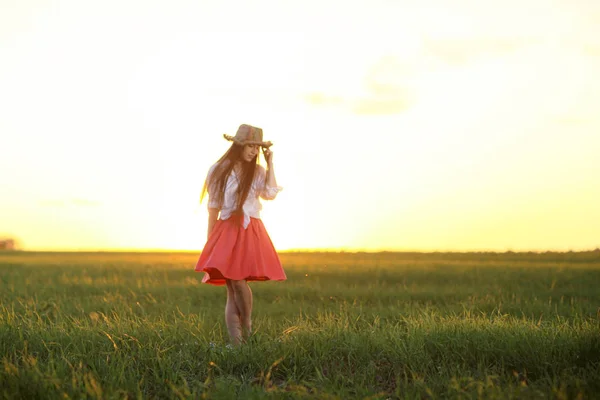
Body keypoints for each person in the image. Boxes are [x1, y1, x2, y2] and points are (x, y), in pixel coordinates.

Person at [195, 124, 287, 346]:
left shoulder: (258, 171)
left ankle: (247, 327)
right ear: (238, 145)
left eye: (257, 147)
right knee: (231, 285)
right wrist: (210, 243)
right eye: (250, 146)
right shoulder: (218, 169)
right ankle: (237, 343)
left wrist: (270, 162)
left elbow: (270, 193)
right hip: (226, 229)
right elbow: (213, 207)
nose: (254, 151)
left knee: (238, 281)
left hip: (250, 230)